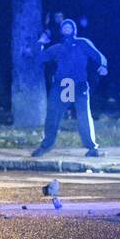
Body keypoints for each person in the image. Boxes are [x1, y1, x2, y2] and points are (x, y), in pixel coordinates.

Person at [32, 18, 107, 158]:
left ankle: (92, 148)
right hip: (63, 85)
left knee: (84, 115)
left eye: (69, 26)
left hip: (79, 85)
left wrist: (103, 65)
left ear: (74, 30)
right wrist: (40, 44)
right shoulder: (57, 48)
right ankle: (45, 146)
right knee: (53, 115)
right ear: (61, 31)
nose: (66, 28)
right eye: (64, 27)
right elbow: (39, 58)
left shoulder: (82, 43)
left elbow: (98, 55)